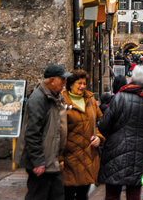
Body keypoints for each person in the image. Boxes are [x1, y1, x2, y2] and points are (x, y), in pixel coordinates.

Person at [98, 65, 143, 200]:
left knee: (112, 193)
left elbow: (104, 125)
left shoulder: (120, 97)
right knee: (134, 193)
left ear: (133, 78)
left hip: (116, 150)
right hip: (142, 152)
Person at [20, 64, 71, 200]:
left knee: (57, 195)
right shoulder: (38, 99)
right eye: (62, 79)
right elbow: (32, 133)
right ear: (52, 80)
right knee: (38, 195)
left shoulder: (55, 97)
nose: (65, 83)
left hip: (51, 160)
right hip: (42, 163)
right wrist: (38, 161)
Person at [61, 70, 103, 200]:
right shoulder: (62, 100)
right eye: (79, 83)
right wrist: (59, 158)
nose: (82, 86)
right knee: (67, 194)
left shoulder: (90, 100)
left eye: (84, 83)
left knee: (83, 195)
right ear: (70, 84)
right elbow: (56, 132)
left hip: (88, 155)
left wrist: (99, 137)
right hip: (70, 157)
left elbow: (99, 123)